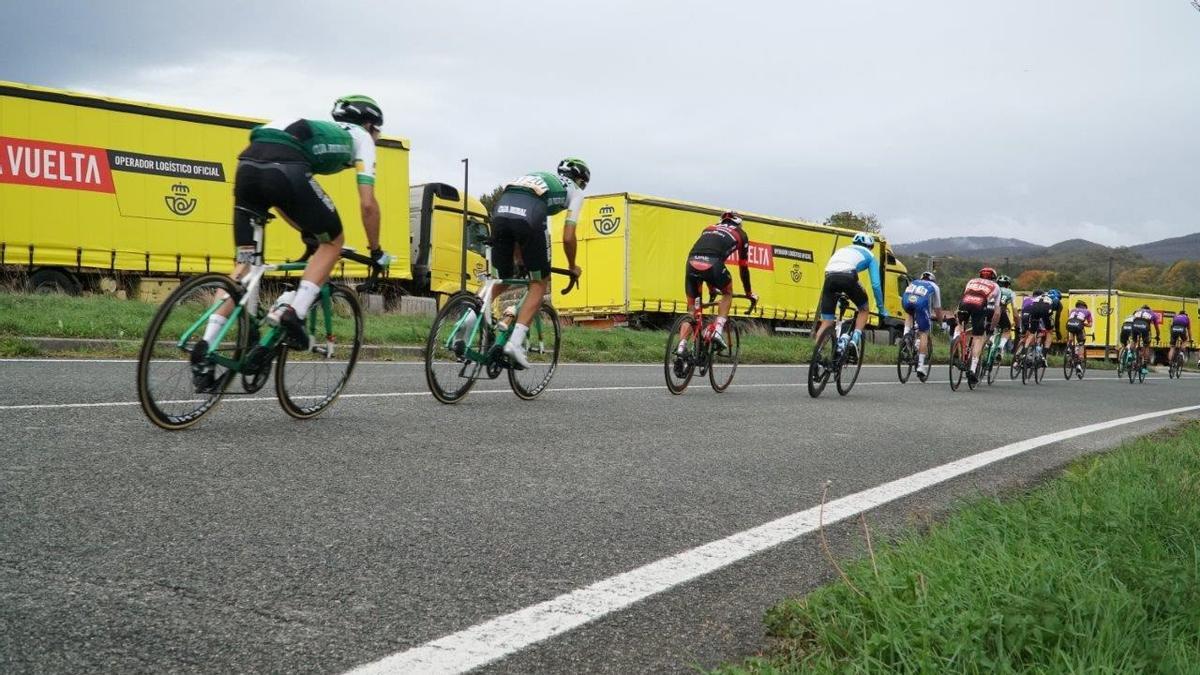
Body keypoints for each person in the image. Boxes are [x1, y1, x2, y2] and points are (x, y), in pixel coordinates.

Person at [193, 95, 389, 391]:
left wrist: (308, 232)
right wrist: (376, 251)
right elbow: (368, 205)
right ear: (370, 125)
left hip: (248, 165)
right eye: (379, 132)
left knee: (244, 267)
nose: (377, 138)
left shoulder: (321, 128)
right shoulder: (362, 138)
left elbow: (283, 198)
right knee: (334, 242)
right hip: (286, 167)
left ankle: (205, 346)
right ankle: (292, 314)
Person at [487, 158, 589, 368]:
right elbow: (568, 237)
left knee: (502, 278)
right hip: (530, 213)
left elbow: (517, 225)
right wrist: (572, 266)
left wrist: (520, 255)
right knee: (539, 283)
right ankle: (515, 343)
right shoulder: (576, 192)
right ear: (579, 179)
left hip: (502, 207)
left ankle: (470, 316)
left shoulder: (540, 176)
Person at [675, 211, 757, 355]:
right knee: (727, 293)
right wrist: (748, 292)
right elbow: (743, 267)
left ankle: (681, 347)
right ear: (738, 223)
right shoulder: (741, 234)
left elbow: (704, 258)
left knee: (692, 312)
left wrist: (711, 289)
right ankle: (718, 330)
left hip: (691, 263)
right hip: (713, 265)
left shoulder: (708, 229)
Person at [815, 232, 888, 358]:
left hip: (829, 277)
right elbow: (876, 285)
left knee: (826, 322)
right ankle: (854, 340)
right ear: (870, 246)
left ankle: (816, 356)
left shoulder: (841, 250)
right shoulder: (870, 255)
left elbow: (834, 272)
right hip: (848, 276)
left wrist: (837, 296)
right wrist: (881, 309)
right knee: (864, 309)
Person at [957, 267, 1003, 384]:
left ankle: (957, 345)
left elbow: (964, 296)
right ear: (994, 278)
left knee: (961, 326)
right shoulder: (996, 286)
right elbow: (997, 313)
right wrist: (992, 328)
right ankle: (972, 369)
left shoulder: (972, 281)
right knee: (979, 337)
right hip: (980, 304)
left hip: (965, 302)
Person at [901, 271, 943, 380]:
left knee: (909, 314)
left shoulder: (914, 281)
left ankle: (906, 336)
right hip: (920, 304)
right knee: (924, 333)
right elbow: (937, 308)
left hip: (906, 301)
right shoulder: (934, 286)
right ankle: (920, 365)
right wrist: (940, 321)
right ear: (933, 280)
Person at [1021, 290, 1053, 365]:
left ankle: (1024, 352)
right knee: (1049, 332)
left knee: (1032, 332)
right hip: (1045, 310)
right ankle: (1044, 356)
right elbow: (1050, 314)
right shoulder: (1050, 299)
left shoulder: (1032, 299)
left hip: (1033, 310)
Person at [1130, 304, 1160, 376]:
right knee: (1146, 346)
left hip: (1135, 326)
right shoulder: (1152, 313)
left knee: (1134, 341)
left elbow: (1132, 320)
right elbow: (1156, 327)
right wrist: (1157, 336)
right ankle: (1144, 367)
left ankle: (1131, 354)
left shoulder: (1137, 311)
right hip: (1145, 328)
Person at [1065, 300, 1093, 375]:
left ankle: (1069, 347)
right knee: (1081, 343)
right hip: (1078, 325)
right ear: (1085, 307)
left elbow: (1071, 319)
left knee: (1072, 331)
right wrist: (1083, 324)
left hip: (1069, 324)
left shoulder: (1073, 310)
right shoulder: (1087, 311)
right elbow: (1090, 325)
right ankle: (1079, 363)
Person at [991, 274, 1017, 355]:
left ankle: (991, 342)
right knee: (1007, 330)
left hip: (988, 309)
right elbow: (1014, 309)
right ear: (1008, 285)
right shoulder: (1011, 292)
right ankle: (1001, 345)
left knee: (989, 329)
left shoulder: (992, 289)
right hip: (1001, 310)